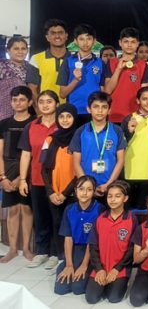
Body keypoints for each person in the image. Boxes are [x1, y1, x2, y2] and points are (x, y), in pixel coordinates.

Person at [17, 90, 59, 268]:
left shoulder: (63, 125)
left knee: (56, 218)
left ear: (56, 104)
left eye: (49, 101)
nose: (45, 105)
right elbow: (26, 154)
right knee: (41, 218)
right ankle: (42, 251)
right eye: (41, 102)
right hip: (36, 180)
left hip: (57, 181)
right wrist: (22, 180)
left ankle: (57, 254)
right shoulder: (31, 126)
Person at [85, 181, 137, 304]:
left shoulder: (131, 219)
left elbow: (132, 248)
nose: (113, 200)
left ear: (125, 198)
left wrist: (117, 269)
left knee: (113, 298)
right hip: (101, 266)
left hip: (120, 268)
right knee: (91, 299)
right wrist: (99, 269)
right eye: (110, 196)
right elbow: (93, 246)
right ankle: (104, 281)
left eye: (117, 196)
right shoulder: (100, 218)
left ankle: (120, 282)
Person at [0, 86, 35, 263]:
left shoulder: (35, 122)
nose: (18, 103)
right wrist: (3, 177)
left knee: (26, 208)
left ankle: (27, 248)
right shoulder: (4, 124)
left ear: (29, 102)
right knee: (12, 209)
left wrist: (21, 178)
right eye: (14, 100)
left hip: (28, 170)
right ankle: (13, 249)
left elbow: (34, 153)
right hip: (7, 168)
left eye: (22, 99)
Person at [40, 103, 79, 261]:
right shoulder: (49, 139)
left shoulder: (79, 139)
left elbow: (80, 169)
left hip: (71, 192)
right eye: (61, 116)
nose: (65, 120)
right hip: (53, 192)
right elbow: (44, 169)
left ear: (74, 118)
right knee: (56, 223)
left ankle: (72, 257)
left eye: (68, 116)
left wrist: (65, 193)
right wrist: (50, 192)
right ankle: (58, 255)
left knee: (71, 224)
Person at [70, 92, 127, 199]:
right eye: (96, 107)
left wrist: (109, 184)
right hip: (86, 189)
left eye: (104, 107)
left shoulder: (117, 131)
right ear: (89, 109)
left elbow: (121, 160)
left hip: (111, 187)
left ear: (109, 110)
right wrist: (88, 186)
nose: (100, 111)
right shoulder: (80, 131)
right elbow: (76, 163)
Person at [54, 175, 101, 296]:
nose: (84, 193)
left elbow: (93, 241)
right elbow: (68, 238)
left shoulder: (99, 209)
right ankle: (65, 265)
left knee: (77, 288)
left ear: (94, 191)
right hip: (74, 249)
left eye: (89, 189)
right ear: (75, 191)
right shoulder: (69, 209)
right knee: (60, 289)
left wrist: (84, 265)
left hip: (91, 250)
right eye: (81, 189)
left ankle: (86, 271)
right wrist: (69, 265)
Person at [122, 87, 148, 210]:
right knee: (127, 211)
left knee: (144, 212)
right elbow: (120, 146)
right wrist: (129, 131)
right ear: (138, 100)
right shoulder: (129, 119)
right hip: (129, 173)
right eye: (144, 99)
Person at [103, 27, 148, 123]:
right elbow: (107, 90)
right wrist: (118, 69)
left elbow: (144, 93)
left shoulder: (143, 65)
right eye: (126, 41)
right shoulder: (111, 63)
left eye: (133, 42)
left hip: (135, 117)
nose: (129, 45)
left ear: (137, 44)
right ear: (120, 43)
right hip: (113, 114)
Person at [58, 24, 104, 123]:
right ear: (75, 41)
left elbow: (103, 90)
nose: (85, 43)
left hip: (95, 112)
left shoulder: (100, 63)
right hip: (74, 112)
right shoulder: (67, 62)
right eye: (81, 39)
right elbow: (62, 94)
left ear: (94, 41)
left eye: (89, 39)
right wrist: (75, 80)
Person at [28, 18, 68, 103]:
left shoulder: (75, 59)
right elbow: (32, 89)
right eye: (53, 33)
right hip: (46, 111)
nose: (57, 36)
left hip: (69, 112)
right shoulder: (36, 59)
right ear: (47, 37)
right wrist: (39, 112)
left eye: (60, 33)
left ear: (66, 36)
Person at [0, 36, 37, 121]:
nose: (20, 52)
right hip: (4, 111)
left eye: (23, 48)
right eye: (16, 49)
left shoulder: (31, 67)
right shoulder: (2, 66)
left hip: (26, 113)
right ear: (8, 51)